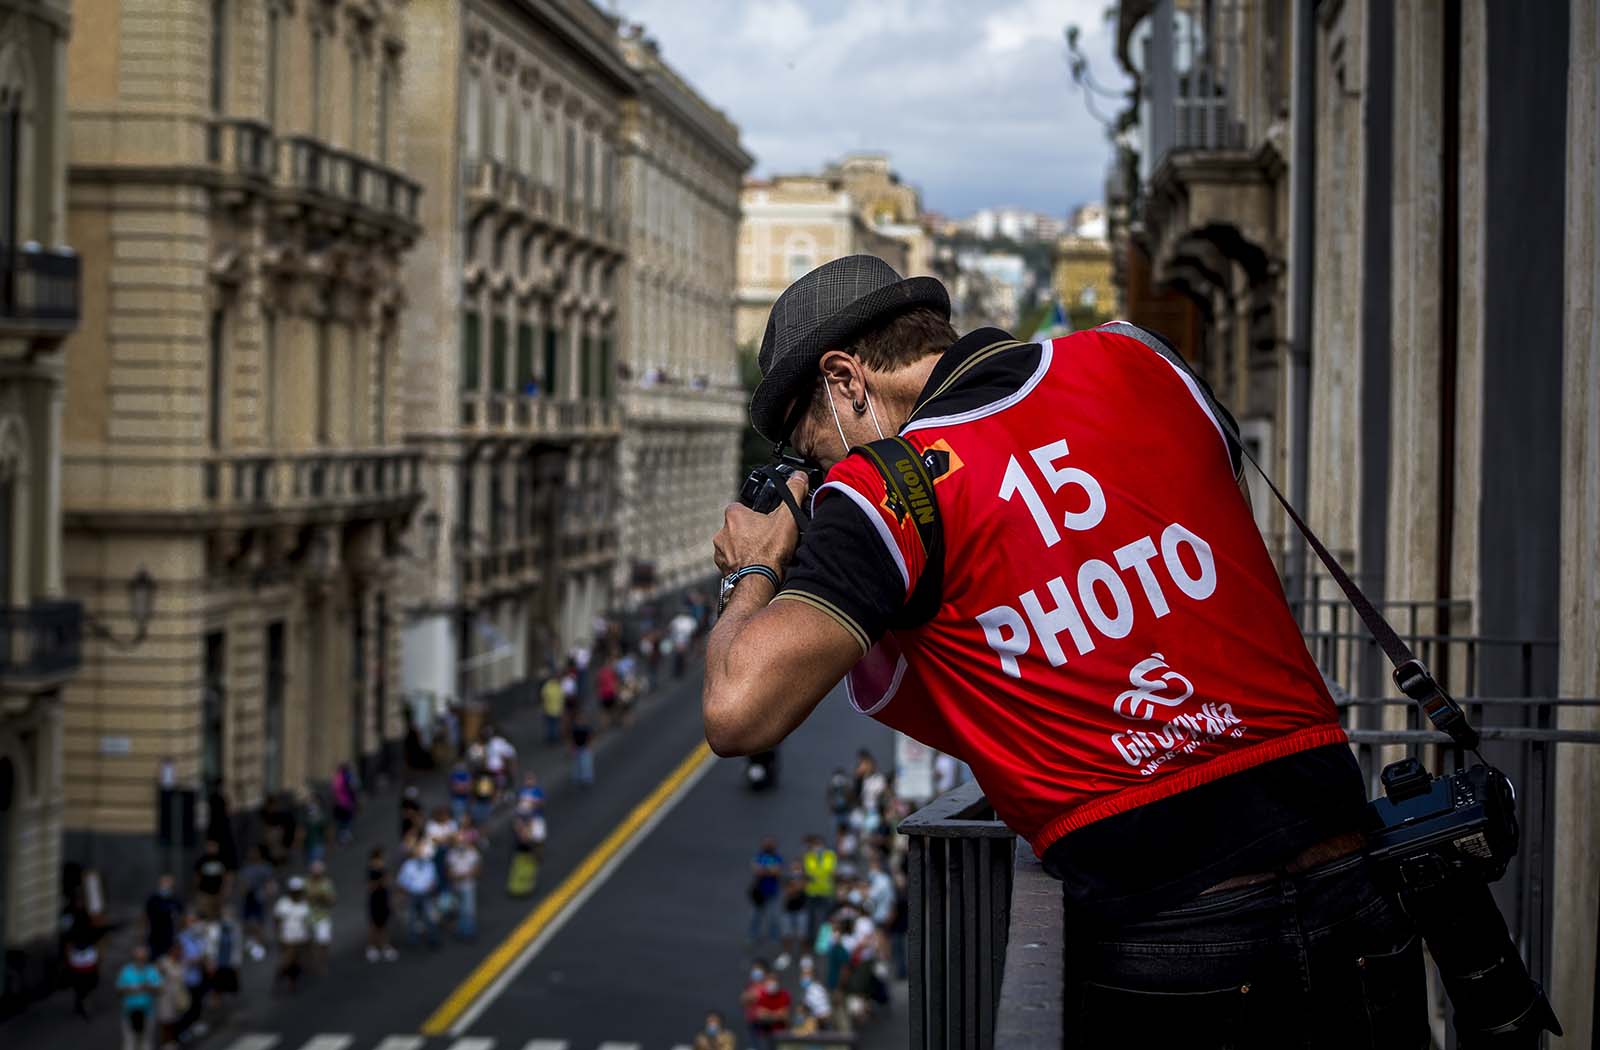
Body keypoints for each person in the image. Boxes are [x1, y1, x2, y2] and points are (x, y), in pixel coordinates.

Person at [703, 256, 1417, 1040]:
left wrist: (758, 565)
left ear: (846, 381)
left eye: (812, 446)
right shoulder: (1141, 358)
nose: (824, 471)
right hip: (1359, 878)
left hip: (1172, 939)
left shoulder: (891, 487)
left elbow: (738, 711)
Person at [117, 944, 162, 1050]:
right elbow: (119, 991)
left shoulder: (152, 970)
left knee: (146, 1041)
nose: (141, 960)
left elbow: (159, 990)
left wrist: (148, 987)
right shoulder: (126, 971)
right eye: (138, 958)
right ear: (134, 958)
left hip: (147, 1012)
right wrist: (132, 988)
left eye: (143, 958)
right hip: (129, 1012)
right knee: (130, 1040)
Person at [396, 844, 440, 948]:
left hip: (425, 894)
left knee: (429, 917)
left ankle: (432, 939)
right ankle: (413, 941)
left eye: (421, 853)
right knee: (412, 918)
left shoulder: (429, 864)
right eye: (418, 852)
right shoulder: (408, 865)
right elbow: (401, 880)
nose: (420, 855)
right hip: (412, 894)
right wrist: (407, 891)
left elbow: (434, 879)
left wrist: (431, 887)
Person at [272, 876, 311, 993]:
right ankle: (279, 979)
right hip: (287, 937)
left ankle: (292, 983)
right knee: (287, 960)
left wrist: (308, 937)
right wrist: (278, 935)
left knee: (296, 962)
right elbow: (277, 920)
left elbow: (306, 922)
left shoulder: (304, 904)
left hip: (300, 937)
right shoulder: (283, 903)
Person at [62, 903, 101, 1018]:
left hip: (79, 959)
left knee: (79, 983)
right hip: (87, 958)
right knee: (86, 982)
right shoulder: (90, 929)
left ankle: (81, 1001)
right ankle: (84, 1001)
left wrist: (68, 958)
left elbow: (68, 944)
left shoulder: (72, 929)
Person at [237, 845, 274, 962]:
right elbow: (242, 885)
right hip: (248, 898)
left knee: (259, 923)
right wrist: (244, 889)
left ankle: (259, 947)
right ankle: (251, 945)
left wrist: (268, 894)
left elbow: (270, 884)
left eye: (254, 852)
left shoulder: (265, 867)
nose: (252, 855)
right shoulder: (246, 869)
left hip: (260, 898)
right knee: (247, 923)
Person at [747, 836, 783, 950]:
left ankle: (774, 937)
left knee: (774, 916)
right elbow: (756, 869)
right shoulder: (759, 856)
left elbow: (776, 871)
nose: (768, 846)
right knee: (755, 916)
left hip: (772, 892)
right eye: (766, 844)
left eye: (770, 844)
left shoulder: (777, 857)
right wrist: (769, 870)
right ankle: (752, 935)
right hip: (759, 892)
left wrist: (764, 870)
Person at [801, 833, 838, 938]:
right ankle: (810, 941)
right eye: (815, 844)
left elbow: (833, 871)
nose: (817, 847)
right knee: (810, 919)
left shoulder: (830, 855)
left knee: (826, 919)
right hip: (811, 892)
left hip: (826, 891)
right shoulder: (808, 856)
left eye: (819, 844)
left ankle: (823, 943)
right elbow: (806, 872)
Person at [446, 833, 481, 940]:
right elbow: (449, 872)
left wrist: (463, 876)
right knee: (459, 910)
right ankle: (461, 931)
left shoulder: (472, 853)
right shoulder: (451, 854)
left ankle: (469, 932)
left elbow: (477, 870)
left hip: (468, 886)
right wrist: (458, 876)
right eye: (458, 842)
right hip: (456, 886)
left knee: (469, 910)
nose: (460, 844)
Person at [305, 860, 336, 976]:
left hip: (323, 916)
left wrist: (323, 897)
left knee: (323, 942)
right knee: (309, 943)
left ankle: (322, 963)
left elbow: (332, 901)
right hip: (308, 916)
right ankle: (311, 964)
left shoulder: (327, 883)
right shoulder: (306, 883)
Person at [365, 845, 396, 961]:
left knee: (384, 924)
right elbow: (370, 886)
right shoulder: (372, 869)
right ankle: (372, 947)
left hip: (383, 898)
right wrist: (381, 882)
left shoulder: (383, 868)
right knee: (374, 925)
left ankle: (384, 946)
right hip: (375, 899)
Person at [777, 862, 808, 972]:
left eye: (798, 866)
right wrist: (796, 887)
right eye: (794, 866)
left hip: (801, 910)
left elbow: (800, 887)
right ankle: (786, 955)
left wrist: (795, 887)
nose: (796, 868)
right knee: (787, 934)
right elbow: (789, 892)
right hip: (787, 910)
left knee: (802, 935)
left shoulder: (803, 877)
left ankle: (804, 956)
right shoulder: (786, 878)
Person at [144, 874, 183, 961]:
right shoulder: (153, 899)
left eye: (169, 883)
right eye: (165, 882)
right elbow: (145, 917)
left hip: (170, 936)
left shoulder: (175, 899)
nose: (166, 885)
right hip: (155, 935)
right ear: (160, 884)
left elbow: (181, 915)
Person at [750, 971, 792, 1050]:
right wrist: (776, 1014)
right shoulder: (761, 994)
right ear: (766, 981)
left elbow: (785, 1015)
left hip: (781, 1035)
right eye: (770, 980)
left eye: (774, 980)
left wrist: (768, 1014)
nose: (772, 982)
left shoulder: (784, 994)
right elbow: (760, 1015)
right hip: (764, 1035)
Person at [192, 839, 229, 921]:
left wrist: (224, 890)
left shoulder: (222, 860)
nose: (212, 848)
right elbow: (197, 876)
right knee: (204, 913)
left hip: (217, 892)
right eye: (210, 846)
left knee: (216, 914)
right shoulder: (202, 860)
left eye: (214, 846)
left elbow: (225, 877)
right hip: (204, 892)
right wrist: (196, 889)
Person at [331, 763, 359, 845]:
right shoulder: (348, 777)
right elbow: (354, 787)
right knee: (347, 820)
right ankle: (346, 835)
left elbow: (333, 790)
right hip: (346, 803)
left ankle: (342, 836)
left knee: (341, 821)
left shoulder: (336, 778)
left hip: (338, 803)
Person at [570, 712, 594, 787]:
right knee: (577, 764)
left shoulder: (586, 728)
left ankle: (587, 778)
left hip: (585, 748)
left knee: (586, 764)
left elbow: (590, 737)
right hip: (577, 748)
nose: (579, 721)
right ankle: (577, 778)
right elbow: (572, 739)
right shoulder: (575, 729)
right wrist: (572, 748)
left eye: (581, 720)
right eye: (578, 720)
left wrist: (589, 746)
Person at [540, 671, 565, 745]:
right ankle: (554, 738)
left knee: (550, 724)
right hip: (556, 709)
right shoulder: (558, 686)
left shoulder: (547, 686)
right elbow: (562, 697)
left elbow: (543, 696)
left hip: (548, 708)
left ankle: (551, 737)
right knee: (555, 724)